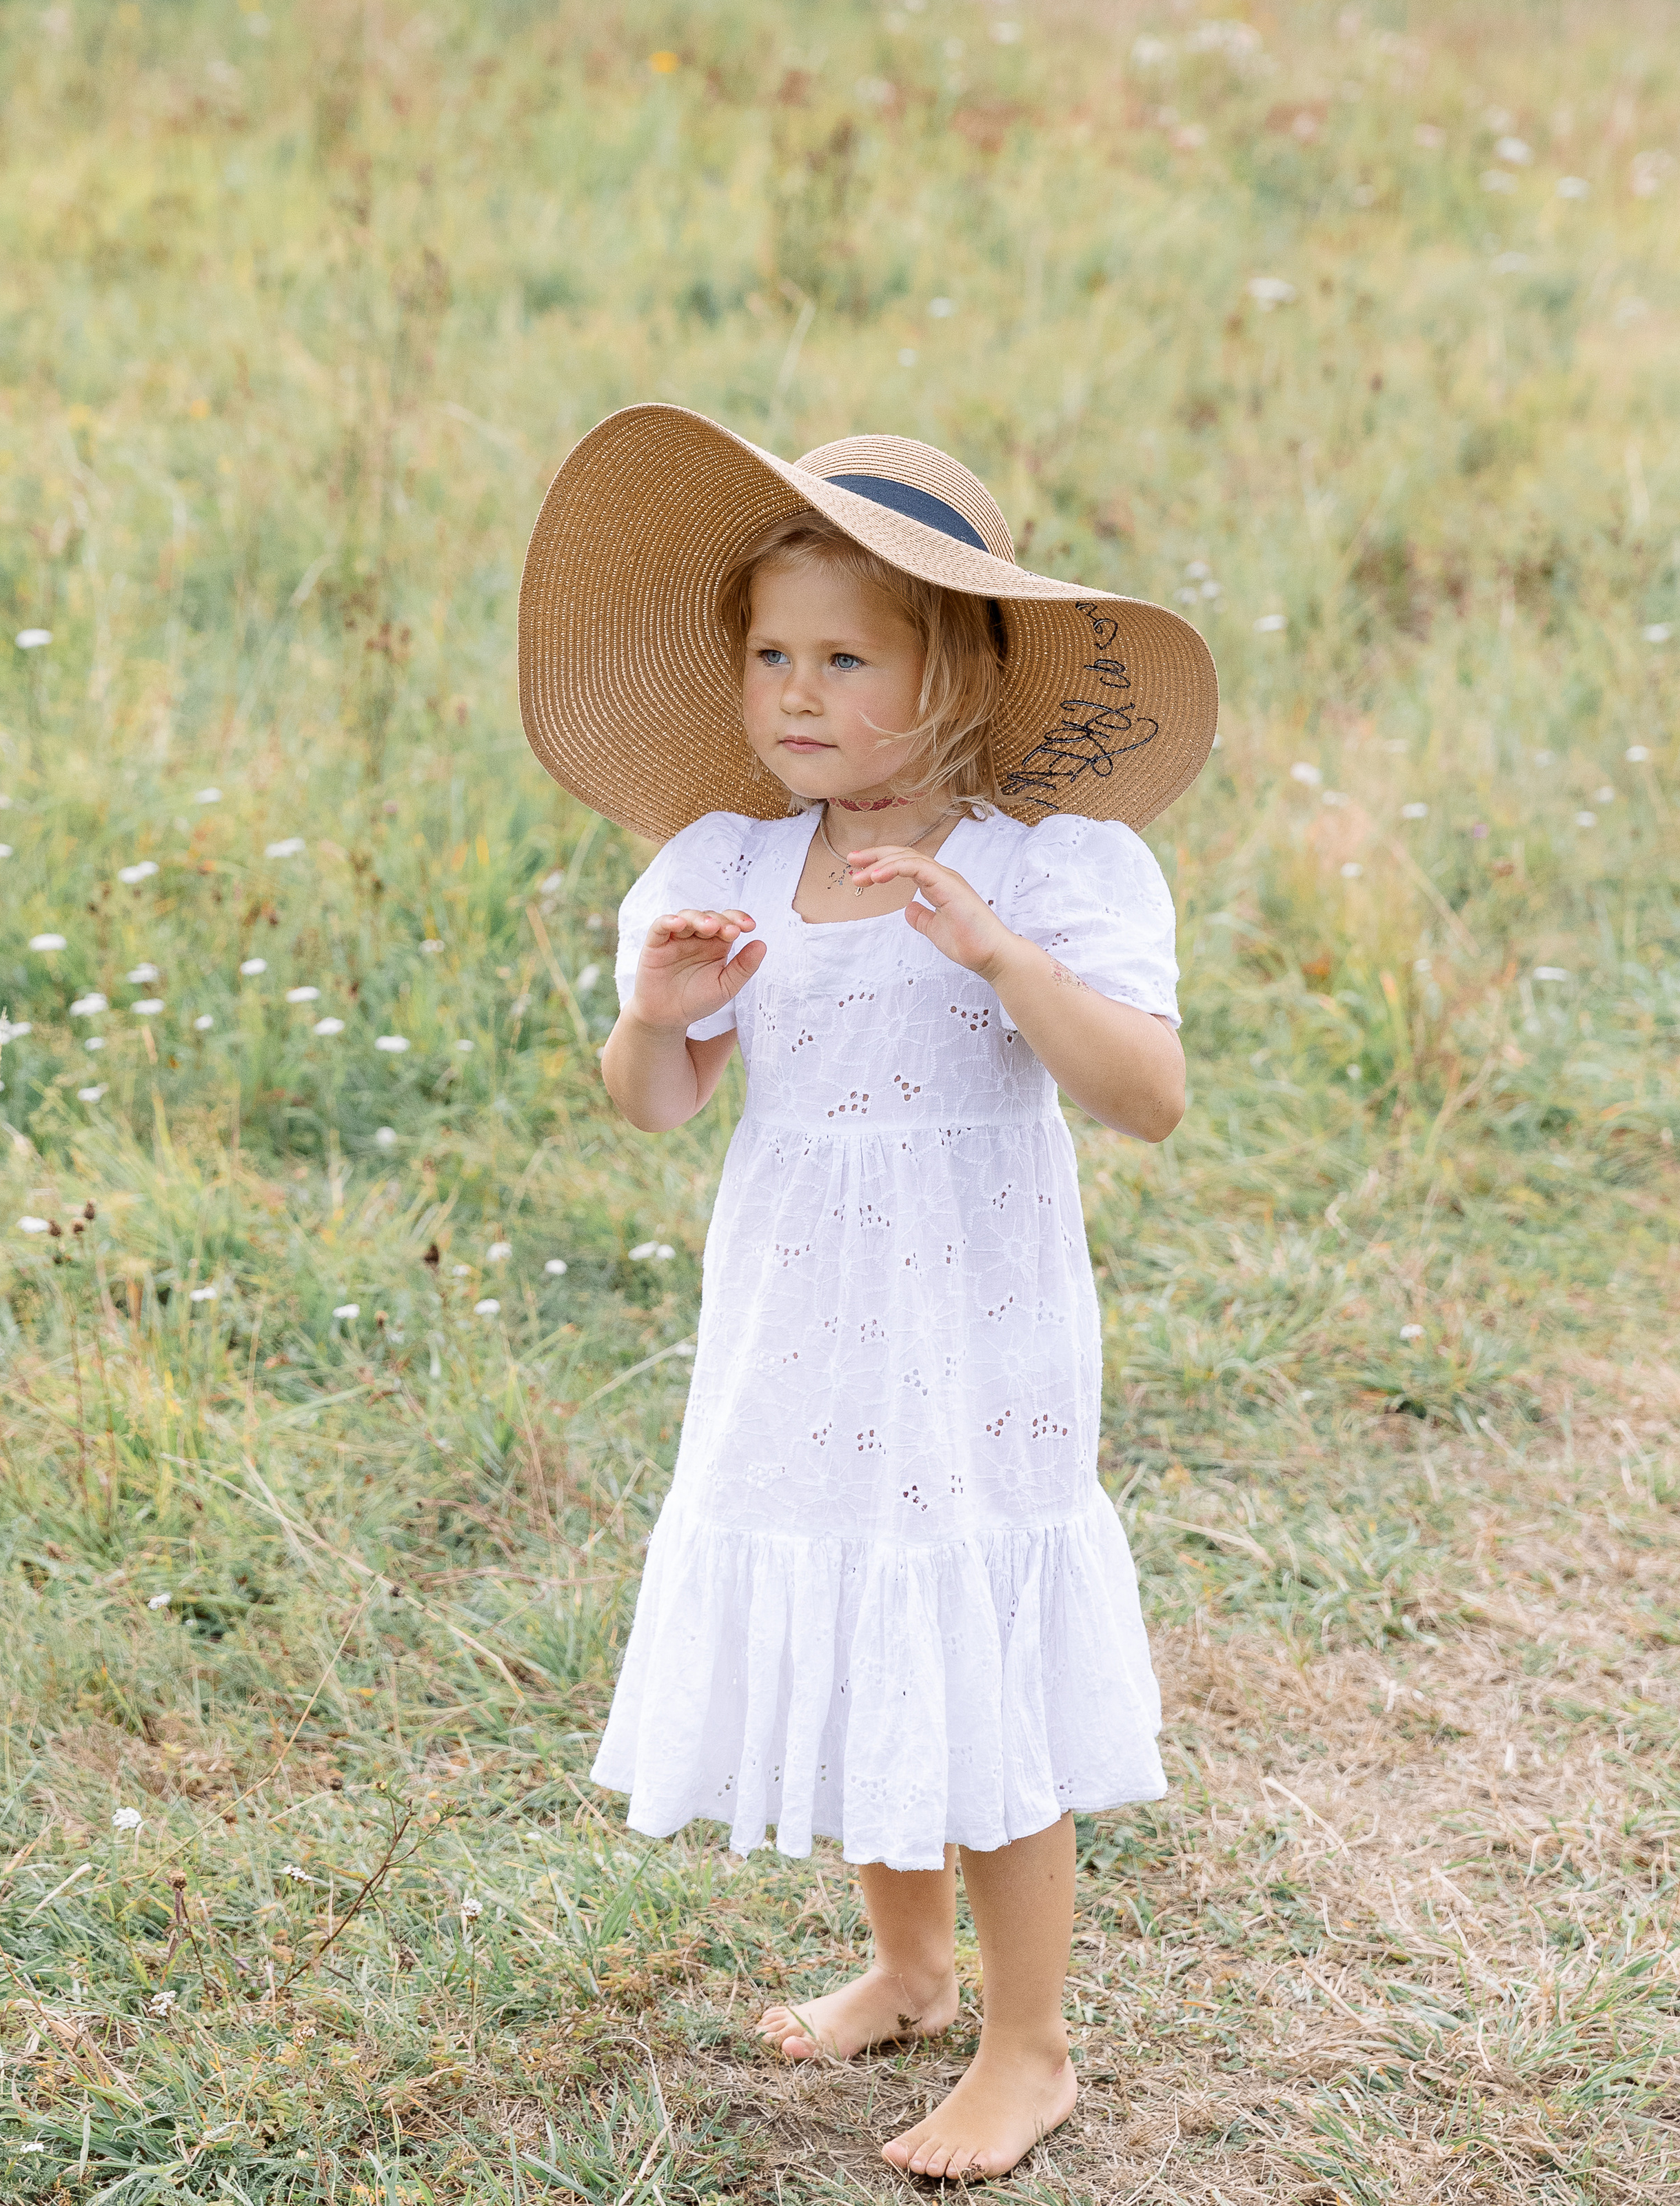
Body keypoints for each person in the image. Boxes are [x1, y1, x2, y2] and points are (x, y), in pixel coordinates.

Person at [517, 406, 1217, 2183]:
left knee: (967, 1620)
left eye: (846, 658)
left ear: (961, 677)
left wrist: (993, 945)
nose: (795, 695)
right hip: (800, 1314)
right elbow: (663, 1105)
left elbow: (1144, 1093)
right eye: (770, 656)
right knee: (850, 1596)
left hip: (975, 1321)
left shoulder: (1055, 866)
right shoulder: (727, 866)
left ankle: (1028, 2045)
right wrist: (655, 1018)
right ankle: (906, 1968)